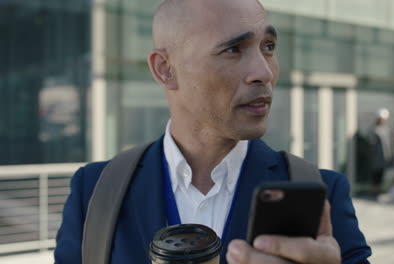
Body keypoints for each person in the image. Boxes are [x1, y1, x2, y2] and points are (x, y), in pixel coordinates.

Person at [54, 0, 371, 263]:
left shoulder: (320, 193)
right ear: (165, 69)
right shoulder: (94, 192)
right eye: (234, 49)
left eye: (269, 46)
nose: (265, 72)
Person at [367, 108, 393, 199]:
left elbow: (388, 145)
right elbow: (371, 143)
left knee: (381, 175)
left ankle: (378, 192)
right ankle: (374, 192)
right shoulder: (373, 129)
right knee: (375, 176)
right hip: (375, 158)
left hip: (384, 158)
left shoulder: (386, 129)